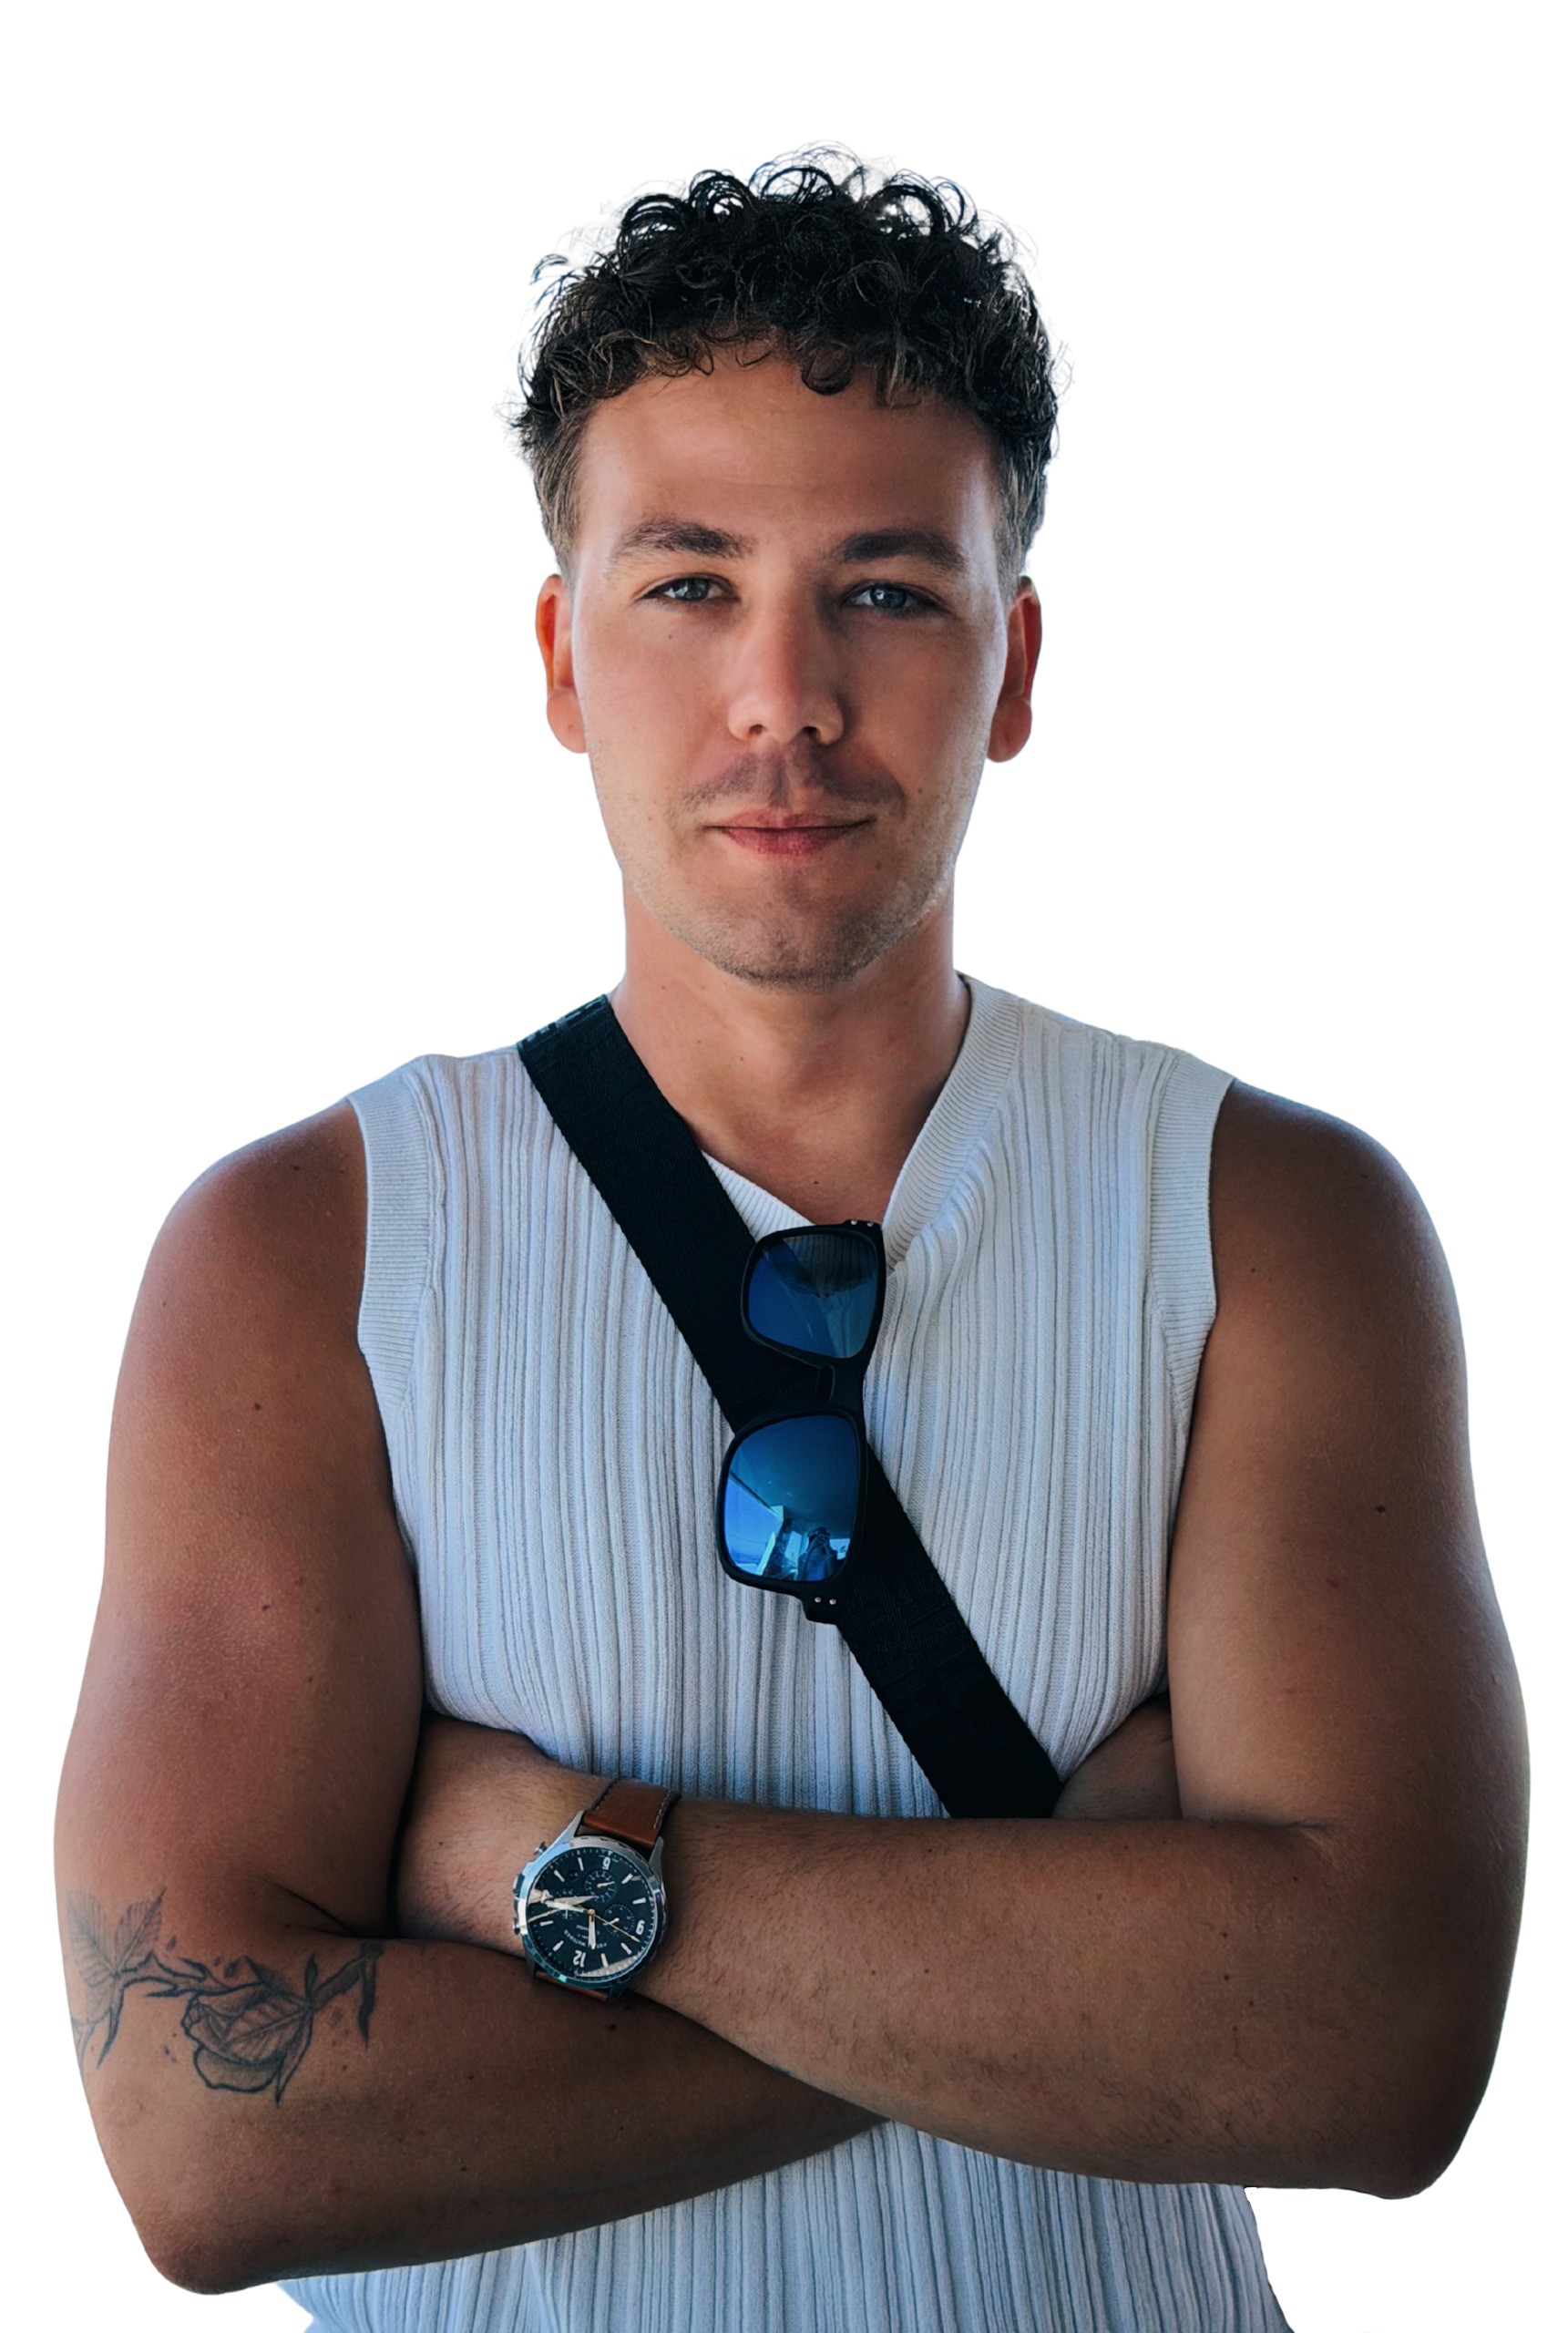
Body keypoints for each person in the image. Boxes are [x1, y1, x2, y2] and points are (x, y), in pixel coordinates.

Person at [52, 148, 1530, 2333]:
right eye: (683, 584)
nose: (782, 697)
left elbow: (1369, 2049)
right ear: (557, 655)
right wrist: (1075, 1920)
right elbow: (206, 2133)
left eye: (887, 588)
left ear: (1013, 664)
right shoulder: (300, 1243)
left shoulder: (1276, 1217)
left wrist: (548, 1856)